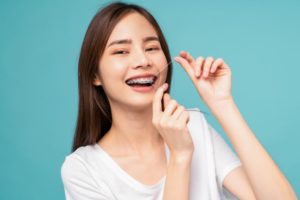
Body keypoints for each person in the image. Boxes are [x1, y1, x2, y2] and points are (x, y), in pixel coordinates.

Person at [60, 2, 297, 200]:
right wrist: (180, 156)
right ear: (94, 74)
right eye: (121, 51)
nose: (143, 60)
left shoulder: (193, 125)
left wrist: (222, 104)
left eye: (152, 47)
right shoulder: (82, 169)